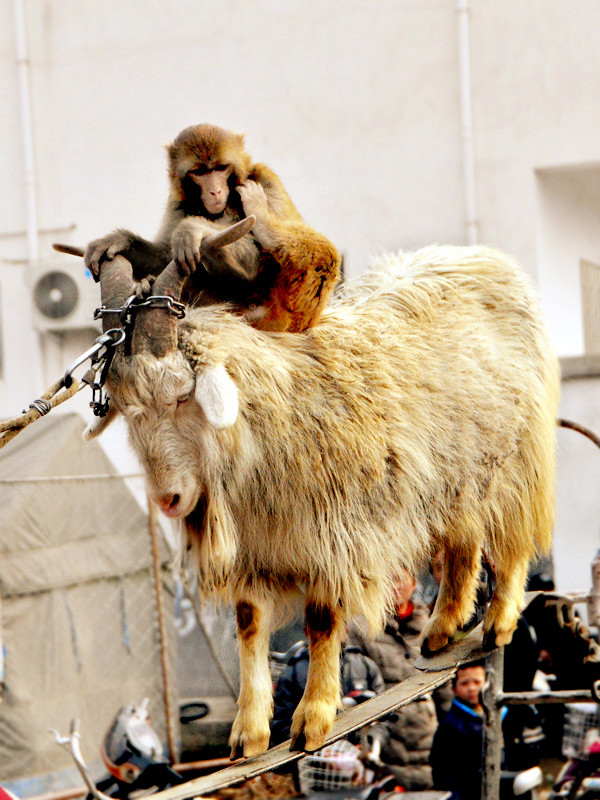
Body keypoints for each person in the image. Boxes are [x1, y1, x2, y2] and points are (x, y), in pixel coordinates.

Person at [348, 571, 438, 790]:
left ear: (413, 583)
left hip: (427, 733)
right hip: (381, 736)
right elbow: (353, 678)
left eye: (400, 578)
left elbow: (442, 684)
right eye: (388, 578)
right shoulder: (361, 626)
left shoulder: (430, 623)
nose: (395, 585)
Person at [430, 661, 544, 800]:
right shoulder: (451, 724)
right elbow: (443, 768)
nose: (471, 688)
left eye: (477, 682)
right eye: (464, 683)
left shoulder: (502, 715)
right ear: (454, 689)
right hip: (469, 788)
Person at [270, 633, 385, 746]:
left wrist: (368, 744)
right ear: (308, 631)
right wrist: (312, 748)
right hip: (315, 759)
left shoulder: (365, 665)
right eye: (321, 629)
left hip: (360, 756)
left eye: (335, 629)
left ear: (345, 631)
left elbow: (384, 714)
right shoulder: (293, 673)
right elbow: (280, 724)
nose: (328, 636)